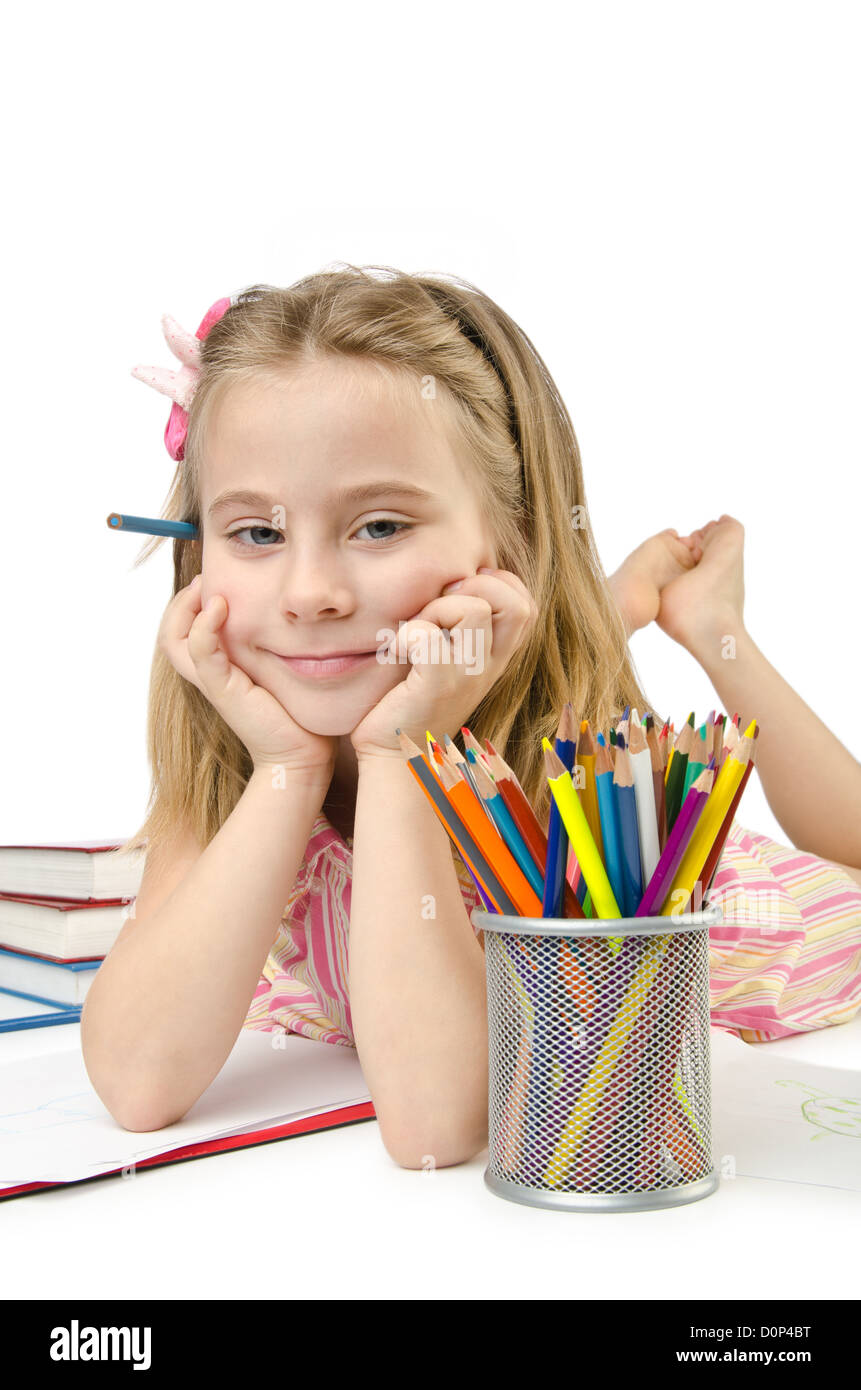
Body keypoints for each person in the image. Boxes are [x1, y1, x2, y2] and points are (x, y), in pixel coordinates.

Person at [80, 269, 861, 1170]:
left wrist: (396, 750)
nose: (309, 595)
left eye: (378, 526)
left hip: (767, 926)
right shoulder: (234, 747)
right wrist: (285, 772)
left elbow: (438, 1127)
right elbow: (137, 1085)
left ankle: (708, 622)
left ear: (513, 540)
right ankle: (624, 603)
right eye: (257, 534)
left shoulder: (562, 777)